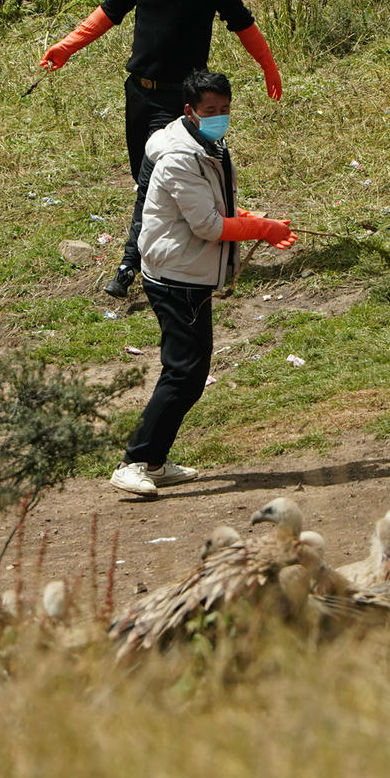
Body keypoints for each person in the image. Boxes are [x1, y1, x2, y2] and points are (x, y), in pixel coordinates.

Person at [39, 0, 282, 299]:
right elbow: (110, 11)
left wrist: (268, 65)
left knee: (152, 178)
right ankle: (182, 247)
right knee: (147, 178)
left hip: (180, 99)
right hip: (140, 92)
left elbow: (241, 22)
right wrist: (67, 46)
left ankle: (129, 266)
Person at [108, 70, 297, 497]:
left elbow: (209, 206)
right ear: (190, 111)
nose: (219, 117)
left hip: (186, 269)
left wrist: (250, 219)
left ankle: (153, 462)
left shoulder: (205, 145)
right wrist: (262, 228)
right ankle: (134, 462)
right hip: (176, 275)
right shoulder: (180, 156)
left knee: (189, 373)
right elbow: (209, 226)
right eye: (211, 110)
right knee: (183, 373)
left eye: (225, 109)